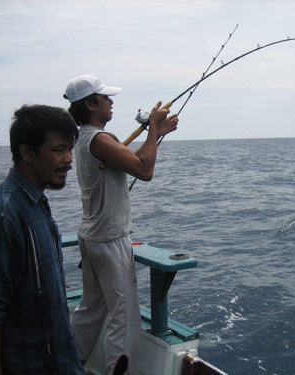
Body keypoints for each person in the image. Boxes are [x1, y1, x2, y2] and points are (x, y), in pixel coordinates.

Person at [64, 74, 178, 375]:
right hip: (110, 238)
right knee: (124, 318)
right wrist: (152, 127)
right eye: (106, 98)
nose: (111, 102)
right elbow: (145, 170)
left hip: (92, 235)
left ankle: (67, 365)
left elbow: (132, 160)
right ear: (90, 104)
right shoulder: (100, 139)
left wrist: (157, 133)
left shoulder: (86, 138)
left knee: (91, 309)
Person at [0, 105, 85, 375]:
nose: (68, 159)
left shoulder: (34, 202)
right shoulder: (1, 217)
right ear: (27, 153)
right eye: (58, 150)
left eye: (69, 149)